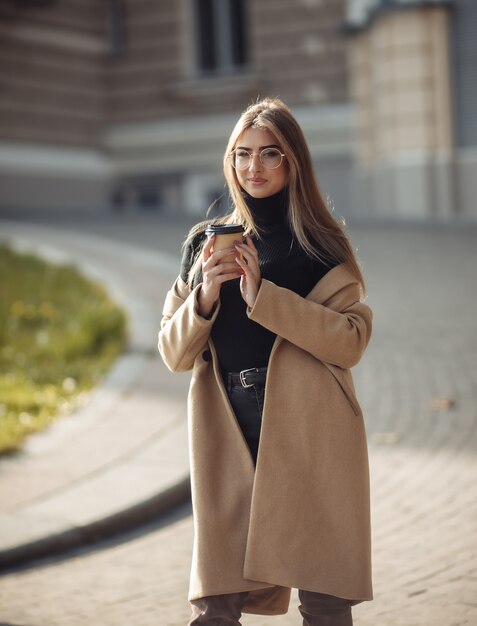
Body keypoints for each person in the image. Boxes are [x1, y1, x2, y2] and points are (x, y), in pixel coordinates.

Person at [158, 98, 373, 626]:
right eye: (242, 154)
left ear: (293, 161)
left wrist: (263, 297)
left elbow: (350, 341)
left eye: (270, 154)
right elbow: (173, 353)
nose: (253, 167)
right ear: (230, 163)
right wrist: (205, 295)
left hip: (310, 422)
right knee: (216, 600)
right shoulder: (203, 245)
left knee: (324, 596)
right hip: (227, 423)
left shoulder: (321, 245)